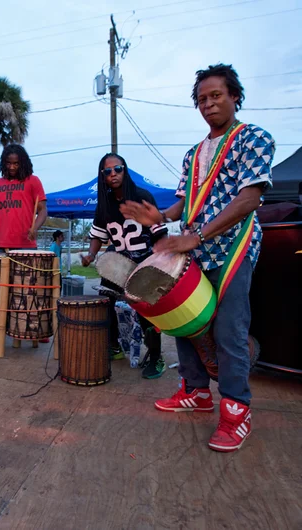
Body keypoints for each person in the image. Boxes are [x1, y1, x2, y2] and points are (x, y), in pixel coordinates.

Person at [121, 64, 275, 452]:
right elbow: (184, 201)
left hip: (234, 245)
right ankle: (196, 392)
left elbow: (249, 199)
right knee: (184, 321)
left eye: (216, 96)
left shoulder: (253, 138)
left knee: (228, 331)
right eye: (202, 99)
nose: (209, 104)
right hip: (197, 246)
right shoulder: (194, 153)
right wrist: (163, 218)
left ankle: (237, 410)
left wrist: (197, 236)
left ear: (235, 96)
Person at [81, 153, 167, 378]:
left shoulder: (142, 196)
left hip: (144, 264)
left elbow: (159, 234)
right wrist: (90, 254)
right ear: (103, 176)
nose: (113, 174)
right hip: (117, 265)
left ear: (125, 170)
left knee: (145, 313)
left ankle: (156, 357)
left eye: (117, 169)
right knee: (105, 303)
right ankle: (114, 346)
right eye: (107, 171)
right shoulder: (104, 205)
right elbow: (98, 236)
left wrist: (160, 263)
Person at [0, 144, 47, 250]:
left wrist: (35, 228)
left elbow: (43, 210)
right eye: (8, 163)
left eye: (16, 164)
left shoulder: (33, 181)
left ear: (23, 163)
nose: (11, 167)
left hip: (26, 244)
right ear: (4, 163)